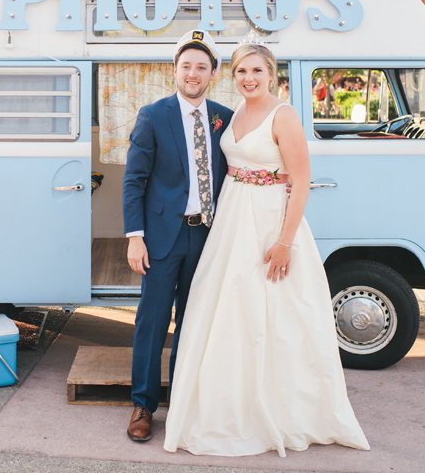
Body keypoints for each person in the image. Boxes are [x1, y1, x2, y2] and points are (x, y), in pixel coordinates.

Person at [163, 42, 370, 457]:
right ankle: (227, 404)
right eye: (241, 72)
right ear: (233, 75)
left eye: (256, 71)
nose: (249, 79)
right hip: (232, 220)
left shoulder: (284, 115)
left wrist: (284, 242)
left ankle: (281, 409)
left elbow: (302, 180)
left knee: (277, 318)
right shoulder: (234, 113)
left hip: (270, 222)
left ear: (271, 74)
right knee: (225, 311)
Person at [122, 30, 234, 442]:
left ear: (213, 74)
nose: (193, 73)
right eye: (186, 66)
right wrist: (135, 236)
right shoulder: (153, 115)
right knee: (152, 321)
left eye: (201, 67)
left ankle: (185, 401)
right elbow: (134, 180)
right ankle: (143, 405)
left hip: (207, 236)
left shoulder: (226, 117)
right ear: (174, 71)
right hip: (160, 238)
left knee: (194, 321)